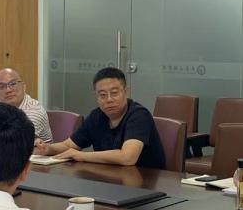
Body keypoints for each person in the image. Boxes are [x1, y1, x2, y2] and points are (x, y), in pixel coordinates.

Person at [35, 67, 166, 169]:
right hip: (111, 178)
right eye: (102, 95)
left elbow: (127, 157)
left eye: (114, 93)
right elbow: (68, 145)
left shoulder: (139, 115)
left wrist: (81, 155)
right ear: (96, 96)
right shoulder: (97, 116)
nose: (109, 99)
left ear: (126, 92)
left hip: (147, 181)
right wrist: (49, 149)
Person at [0, 67, 52, 143]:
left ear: (23, 86)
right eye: (1, 86)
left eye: (13, 84)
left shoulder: (34, 111)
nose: (8, 90)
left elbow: (16, 143)